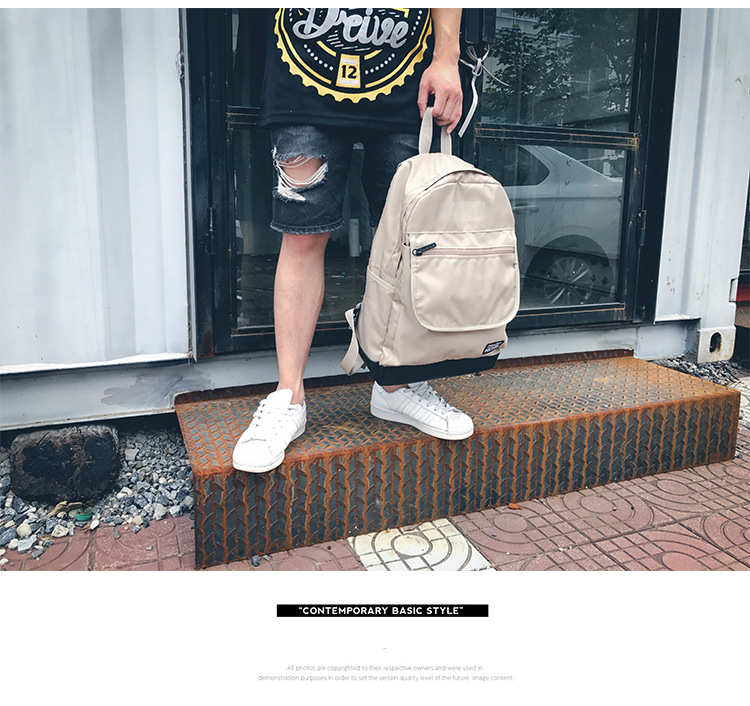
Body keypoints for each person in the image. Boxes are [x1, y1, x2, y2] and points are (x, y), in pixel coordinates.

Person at [233, 8, 473, 473]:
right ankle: (288, 396)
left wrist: (447, 57)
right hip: (304, 73)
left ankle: (396, 385)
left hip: (406, 80)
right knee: (302, 238)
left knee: (405, 245)